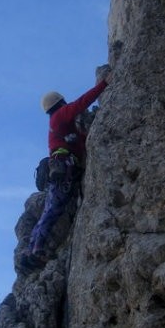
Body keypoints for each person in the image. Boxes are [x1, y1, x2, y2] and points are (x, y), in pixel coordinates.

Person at [20, 72, 111, 271]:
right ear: (60, 102)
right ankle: (36, 249)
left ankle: (32, 249)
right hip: (65, 167)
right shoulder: (60, 116)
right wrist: (103, 84)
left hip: (63, 166)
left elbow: (79, 141)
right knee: (53, 208)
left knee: (51, 209)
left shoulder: (59, 125)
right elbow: (80, 104)